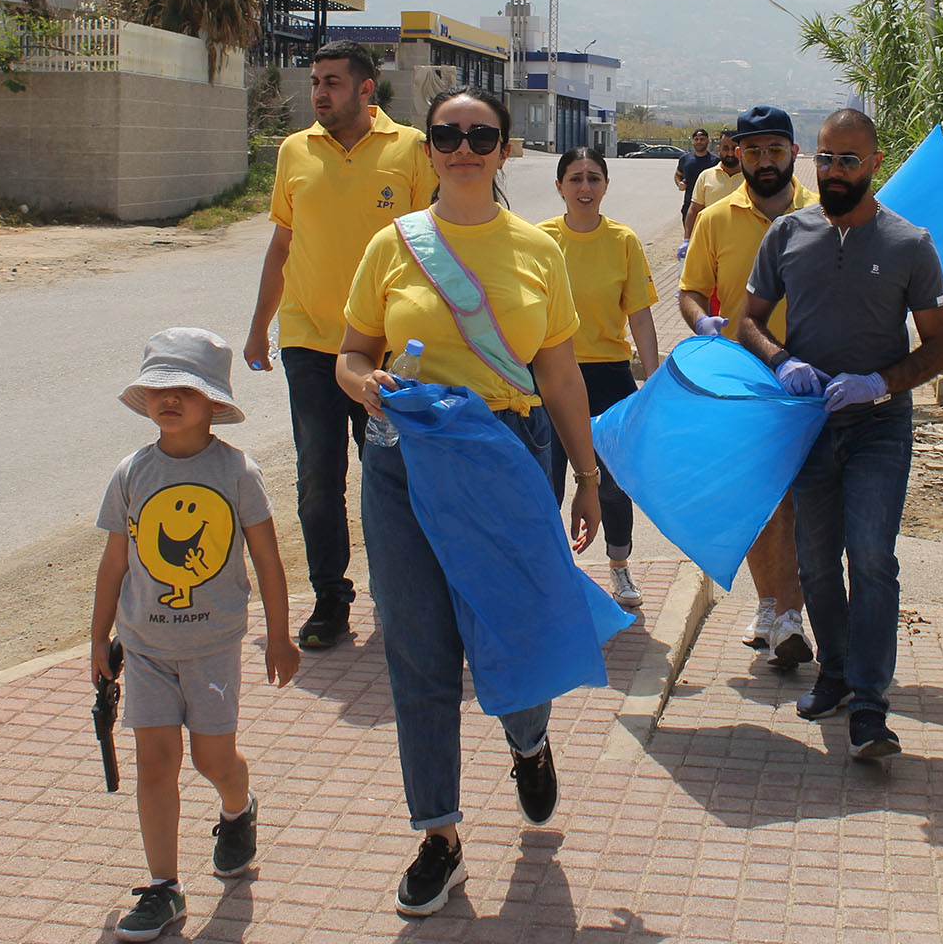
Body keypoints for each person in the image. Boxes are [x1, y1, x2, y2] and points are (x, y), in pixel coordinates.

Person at [335, 87, 607, 918]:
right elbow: (350, 355)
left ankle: (528, 740)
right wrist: (365, 384)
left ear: (504, 149)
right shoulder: (392, 246)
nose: (462, 147)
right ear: (427, 148)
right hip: (404, 460)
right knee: (416, 648)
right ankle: (440, 836)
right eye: (447, 134)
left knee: (513, 627)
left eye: (480, 135)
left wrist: (588, 476)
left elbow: (559, 374)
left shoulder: (537, 250)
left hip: (505, 455)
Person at [738, 109, 943, 761]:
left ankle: (869, 704)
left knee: (872, 556)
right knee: (814, 562)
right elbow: (748, 322)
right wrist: (783, 361)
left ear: (875, 165)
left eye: (849, 161)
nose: (834, 172)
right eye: (826, 158)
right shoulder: (787, 234)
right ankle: (833, 673)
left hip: (878, 427)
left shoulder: (910, 244)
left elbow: (939, 348)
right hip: (809, 424)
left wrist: (879, 383)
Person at [91, 328, 303, 942]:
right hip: (145, 647)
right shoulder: (131, 473)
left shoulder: (236, 471)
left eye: (186, 390)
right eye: (159, 389)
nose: (170, 399)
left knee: (213, 759)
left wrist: (281, 636)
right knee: (155, 761)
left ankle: (238, 808)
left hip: (213, 646)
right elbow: (114, 562)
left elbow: (267, 559)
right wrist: (99, 638)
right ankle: (164, 887)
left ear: (213, 402)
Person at [244, 40, 433, 652]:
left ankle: (399, 591)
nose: (319, 93)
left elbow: (433, 245)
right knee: (317, 478)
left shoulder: (410, 149)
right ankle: (330, 598)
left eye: (332, 82)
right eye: (315, 82)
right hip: (309, 343)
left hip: (385, 349)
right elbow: (282, 245)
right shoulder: (294, 150)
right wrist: (259, 327)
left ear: (365, 89)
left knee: (390, 472)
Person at [680, 104, 820, 671]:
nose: (765, 161)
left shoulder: (824, 212)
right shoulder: (716, 218)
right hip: (746, 381)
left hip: (815, 382)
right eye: (754, 151)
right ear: (737, 153)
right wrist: (701, 321)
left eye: (775, 150)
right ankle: (775, 608)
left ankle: (787, 613)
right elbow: (690, 290)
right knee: (763, 503)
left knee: (803, 504)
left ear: (793, 153)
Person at [538, 146, 663, 609]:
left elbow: (640, 317)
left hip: (609, 378)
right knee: (547, 481)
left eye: (594, 178)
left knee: (611, 483)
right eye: (575, 178)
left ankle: (619, 565)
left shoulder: (623, 240)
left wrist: (654, 384)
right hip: (550, 373)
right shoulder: (540, 239)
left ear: (606, 185)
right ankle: (552, 573)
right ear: (559, 186)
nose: (585, 187)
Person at [674, 127, 719, 244]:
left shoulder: (716, 161)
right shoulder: (685, 159)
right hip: (689, 205)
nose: (699, 142)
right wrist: (679, 183)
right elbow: (678, 174)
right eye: (697, 139)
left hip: (709, 206)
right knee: (690, 238)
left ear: (708, 141)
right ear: (693, 141)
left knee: (709, 239)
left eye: (702, 139)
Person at [690, 130, 744, 213]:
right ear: (719, 148)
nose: (730, 153)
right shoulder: (705, 176)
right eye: (726, 148)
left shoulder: (751, 177)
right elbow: (694, 211)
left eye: (734, 148)